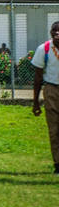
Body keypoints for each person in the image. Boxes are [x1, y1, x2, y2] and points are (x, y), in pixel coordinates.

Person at [30, 20, 59, 175]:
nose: (57, 34)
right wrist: (35, 102)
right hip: (52, 90)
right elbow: (38, 77)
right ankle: (58, 164)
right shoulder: (45, 49)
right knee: (54, 129)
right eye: (54, 31)